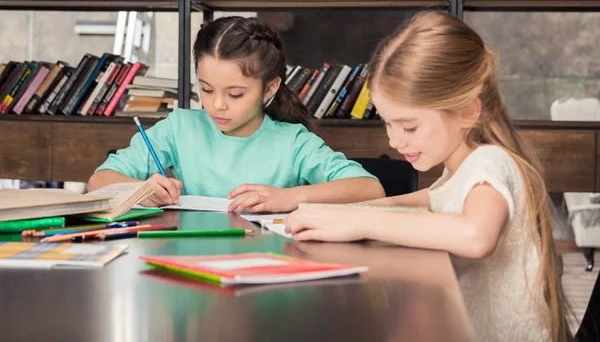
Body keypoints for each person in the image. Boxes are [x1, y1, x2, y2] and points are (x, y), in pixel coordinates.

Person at [285, 11, 572, 342]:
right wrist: (349, 211)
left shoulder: (489, 162)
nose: (395, 140)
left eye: (409, 126)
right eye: (388, 124)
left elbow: (476, 235)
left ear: (467, 111)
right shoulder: (461, 167)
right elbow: (433, 199)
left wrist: (361, 222)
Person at [88, 16, 384, 211]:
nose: (217, 104)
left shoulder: (293, 142)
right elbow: (98, 181)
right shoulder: (180, 128)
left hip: (270, 272)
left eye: (235, 94)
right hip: (192, 264)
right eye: (206, 89)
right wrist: (139, 189)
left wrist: (289, 197)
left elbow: (370, 189)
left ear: (269, 88)